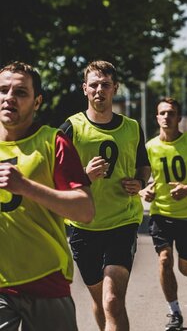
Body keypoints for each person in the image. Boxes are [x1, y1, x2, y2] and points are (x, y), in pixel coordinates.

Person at [0, 61, 95, 330]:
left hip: (45, 282)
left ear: (37, 101)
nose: (9, 98)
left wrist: (26, 187)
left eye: (20, 92)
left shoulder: (53, 142)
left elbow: (85, 210)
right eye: (3, 90)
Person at [60, 60, 150, 331]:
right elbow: (56, 178)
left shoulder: (132, 127)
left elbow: (143, 164)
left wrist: (139, 181)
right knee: (100, 302)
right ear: (85, 89)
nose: (100, 90)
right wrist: (84, 176)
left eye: (106, 85)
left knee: (112, 300)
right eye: (95, 85)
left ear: (115, 89)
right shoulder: (70, 128)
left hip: (122, 221)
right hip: (83, 226)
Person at [140, 98, 187, 331]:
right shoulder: (150, 147)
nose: (166, 117)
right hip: (160, 214)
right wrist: (145, 191)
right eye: (162, 113)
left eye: (171, 113)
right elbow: (142, 179)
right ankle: (174, 312)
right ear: (156, 117)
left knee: (185, 269)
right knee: (164, 259)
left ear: (179, 118)